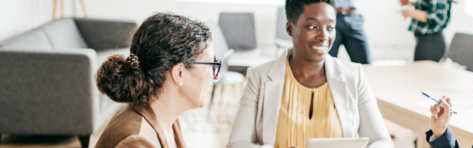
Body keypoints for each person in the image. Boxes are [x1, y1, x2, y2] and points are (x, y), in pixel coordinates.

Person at [227, 0, 393, 147]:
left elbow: (381, 141)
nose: (324, 36)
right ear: (289, 28)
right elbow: (236, 143)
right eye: (312, 26)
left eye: (330, 27)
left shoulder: (354, 75)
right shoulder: (259, 77)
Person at [94, 12, 219, 148]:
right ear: (179, 73)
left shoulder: (167, 117)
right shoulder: (137, 141)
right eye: (210, 65)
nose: (215, 76)